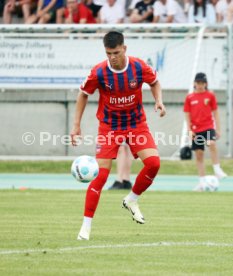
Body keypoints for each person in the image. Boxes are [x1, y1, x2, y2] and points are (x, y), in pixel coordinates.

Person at [70, 31, 166, 240]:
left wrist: (158, 100)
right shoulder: (99, 72)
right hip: (109, 127)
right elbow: (83, 94)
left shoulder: (139, 67)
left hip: (136, 124)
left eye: (115, 52)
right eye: (108, 53)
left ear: (124, 48)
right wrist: (76, 125)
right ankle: (85, 227)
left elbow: (155, 82)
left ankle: (131, 199)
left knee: (154, 164)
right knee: (100, 175)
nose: (112, 57)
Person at [183, 72, 227, 192]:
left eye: (202, 83)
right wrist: (189, 130)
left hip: (208, 127)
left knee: (211, 143)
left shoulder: (210, 95)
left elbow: (216, 113)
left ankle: (217, 170)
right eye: (198, 83)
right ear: (194, 84)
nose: (200, 85)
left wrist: (218, 128)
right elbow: (187, 114)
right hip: (196, 130)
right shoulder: (189, 97)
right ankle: (202, 183)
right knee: (199, 154)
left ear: (205, 84)